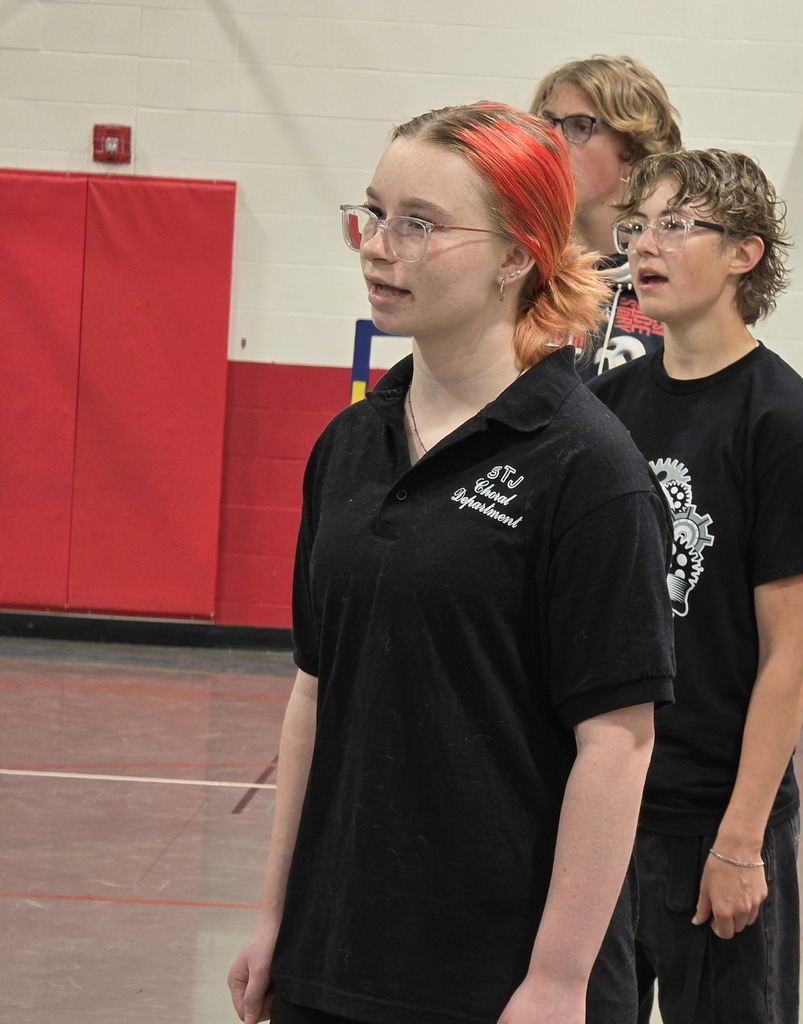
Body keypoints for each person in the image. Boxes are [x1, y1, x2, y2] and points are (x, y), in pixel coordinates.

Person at [227, 102, 677, 1024]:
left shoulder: (590, 468)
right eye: (374, 212)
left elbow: (617, 744)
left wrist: (558, 980)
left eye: (420, 224)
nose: (377, 246)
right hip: (333, 962)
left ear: (516, 255)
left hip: (496, 983)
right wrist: (278, 916)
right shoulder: (348, 445)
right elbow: (314, 691)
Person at [589, 149, 803, 1024]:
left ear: (745, 253)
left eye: (676, 225)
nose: (645, 246)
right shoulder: (606, 407)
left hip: (717, 821)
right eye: (638, 226)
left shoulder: (783, 424)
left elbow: (788, 659)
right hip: (606, 806)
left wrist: (741, 840)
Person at [529, 55, 681, 378]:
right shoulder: (519, 267)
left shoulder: (671, 277)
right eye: (547, 123)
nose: (553, 141)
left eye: (579, 127)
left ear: (634, 150)